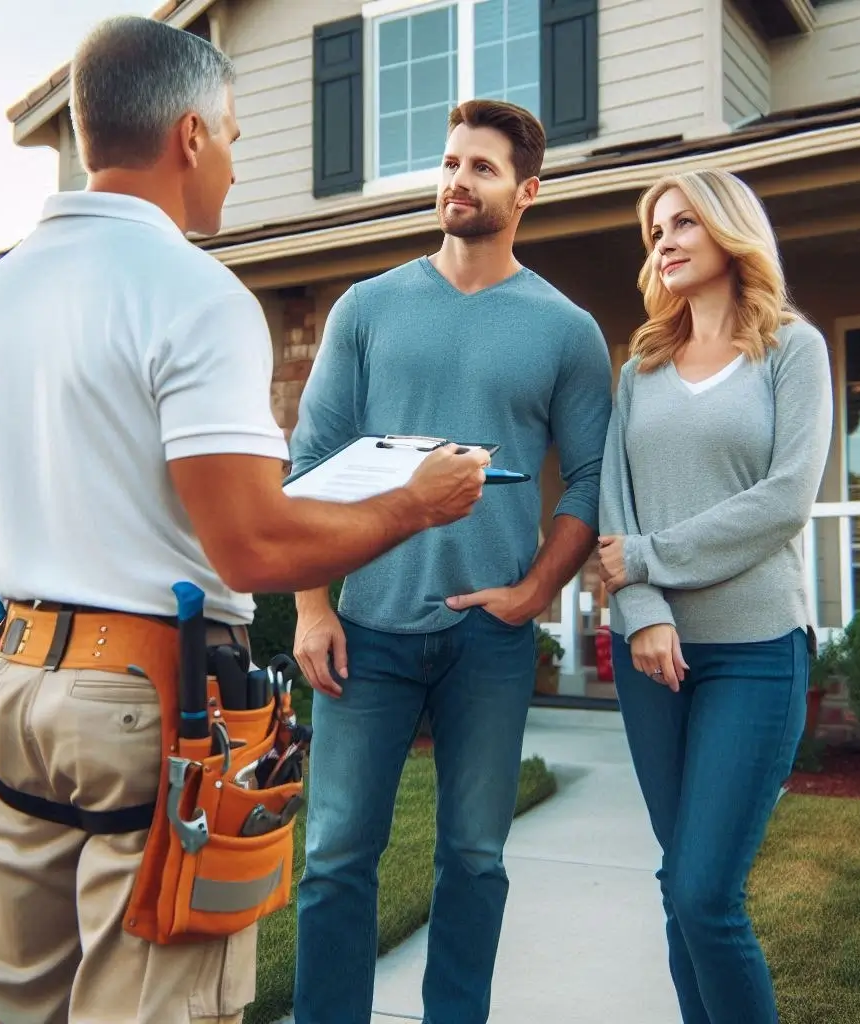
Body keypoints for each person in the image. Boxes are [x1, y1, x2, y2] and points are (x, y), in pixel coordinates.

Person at [0, 16, 490, 1024]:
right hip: (148, 711)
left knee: (8, 1004)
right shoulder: (195, 297)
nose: (234, 167)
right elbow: (254, 545)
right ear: (189, 135)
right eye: (232, 136)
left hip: (15, 684)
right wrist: (417, 501)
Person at [289, 98, 613, 1024]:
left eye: (481, 167)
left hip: (489, 638)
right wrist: (314, 608)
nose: (457, 181)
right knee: (337, 856)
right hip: (367, 630)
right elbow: (308, 470)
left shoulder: (565, 328)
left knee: (475, 857)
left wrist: (536, 591)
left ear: (527, 191)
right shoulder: (368, 307)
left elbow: (588, 478)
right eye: (449, 163)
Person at [597, 168, 833, 1024]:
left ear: (731, 232)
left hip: (757, 653)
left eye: (684, 222)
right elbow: (612, 509)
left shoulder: (794, 350)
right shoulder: (641, 369)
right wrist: (648, 614)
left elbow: (783, 501)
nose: (664, 240)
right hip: (652, 659)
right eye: (655, 227)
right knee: (677, 888)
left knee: (705, 894)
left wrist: (651, 561)